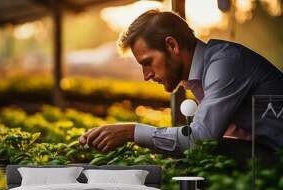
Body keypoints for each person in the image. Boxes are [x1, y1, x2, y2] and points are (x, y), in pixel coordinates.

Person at [78, 10, 283, 161]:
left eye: (148, 62)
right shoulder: (203, 76)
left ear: (172, 45)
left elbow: (199, 141)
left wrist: (131, 132)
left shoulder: (225, 64)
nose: (146, 75)